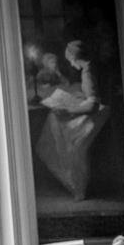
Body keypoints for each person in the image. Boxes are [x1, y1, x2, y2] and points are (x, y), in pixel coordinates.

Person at [35, 39, 110, 201]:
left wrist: (69, 110)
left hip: (96, 114)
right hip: (92, 108)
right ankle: (75, 184)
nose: (69, 64)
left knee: (68, 144)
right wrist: (79, 96)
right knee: (54, 124)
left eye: (70, 60)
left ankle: (77, 186)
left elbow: (93, 105)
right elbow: (91, 95)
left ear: (75, 58)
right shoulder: (89, 68)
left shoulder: (87, 73)